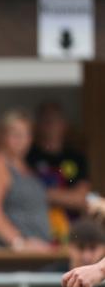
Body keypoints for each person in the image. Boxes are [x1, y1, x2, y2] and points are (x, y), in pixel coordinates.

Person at [0, 111, 52, 250]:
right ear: (1, 136)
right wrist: (18, 242)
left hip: (35, 254)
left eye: (26, 134)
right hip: (9, 255)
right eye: (15, 134)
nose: (21, 139)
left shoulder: (25, 165)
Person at [27, 102, 105, 239]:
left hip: (71, 229)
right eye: (45, 121)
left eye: (54, 120)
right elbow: (23, 194)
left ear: (64, 124)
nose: (50, 126)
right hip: (35, 229)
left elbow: (81, 198)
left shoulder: (76, 157)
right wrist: (65, 196)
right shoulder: (29, 156)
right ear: (37, 126)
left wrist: (42, 194)